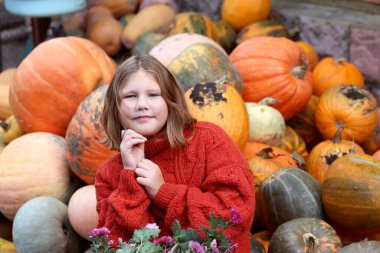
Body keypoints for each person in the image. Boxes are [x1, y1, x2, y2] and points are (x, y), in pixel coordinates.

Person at [95, 54, 255, 252]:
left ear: (170, 99)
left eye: (153, 94)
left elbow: (237, 211)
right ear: (115, 107)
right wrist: (129, 179)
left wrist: (163, 192)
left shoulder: (209, 140)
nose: (142, 104)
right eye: (130, 96)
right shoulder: (108, 175)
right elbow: (115, 245)